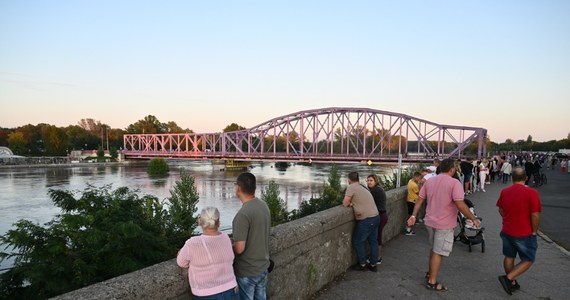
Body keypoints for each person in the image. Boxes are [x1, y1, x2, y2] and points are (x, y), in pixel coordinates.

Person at [407, 158, 481, 292]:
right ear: (452, 170)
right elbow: (460, 204)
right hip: (444, 224)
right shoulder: (454, 183)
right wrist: (473, 218)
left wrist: (413, 215)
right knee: (438, 252)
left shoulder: (429, 181)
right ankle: (432, 282)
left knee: (434, 249)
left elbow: (419, 200)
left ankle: (430, 273)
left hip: (430, 222)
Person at [496, 168, 542, 295]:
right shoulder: (532, 193)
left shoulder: (505, 191)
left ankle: (512, 282)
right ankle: (508, 278)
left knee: (509, 256)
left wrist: (507, 218)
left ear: (512, 177)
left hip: (507, 229)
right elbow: (535, 215)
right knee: (528, 258)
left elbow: (500, 209)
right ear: (526, 178)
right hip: (524, 232)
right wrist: (534, 231)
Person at [177, 207, 238, 299]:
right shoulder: (226, 238)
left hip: (205, 293)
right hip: (231, 289)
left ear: (200, 222)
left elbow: (181, 262)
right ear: (218, 222)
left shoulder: (193, 243)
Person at [232, 172, 271, 300]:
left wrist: (228, 245)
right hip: (262, 267)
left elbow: (239, 249)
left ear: (238, 188)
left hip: (247, 271)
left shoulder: (243, 215)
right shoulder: (263, 205)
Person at [343, 172, 380, 272]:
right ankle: (373, 265)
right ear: (358, 179)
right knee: (373, 242)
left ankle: (362, 264)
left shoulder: (351, 187)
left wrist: (351, 203)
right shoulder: (363, 185)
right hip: (376, 217)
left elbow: (345, 203)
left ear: (349, 180)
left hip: (367, 219)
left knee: (357, 241)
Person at [367, 174, 388, 264]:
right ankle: (377, 256)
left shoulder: (374, 191)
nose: (369, 182)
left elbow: (366, 202)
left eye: (371, 180)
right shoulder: (378, 189)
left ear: (375, 181)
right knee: (377, 237)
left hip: (380, 216)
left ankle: (377, 258)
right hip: (382, 216)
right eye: (368, 180)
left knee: (376, 237)